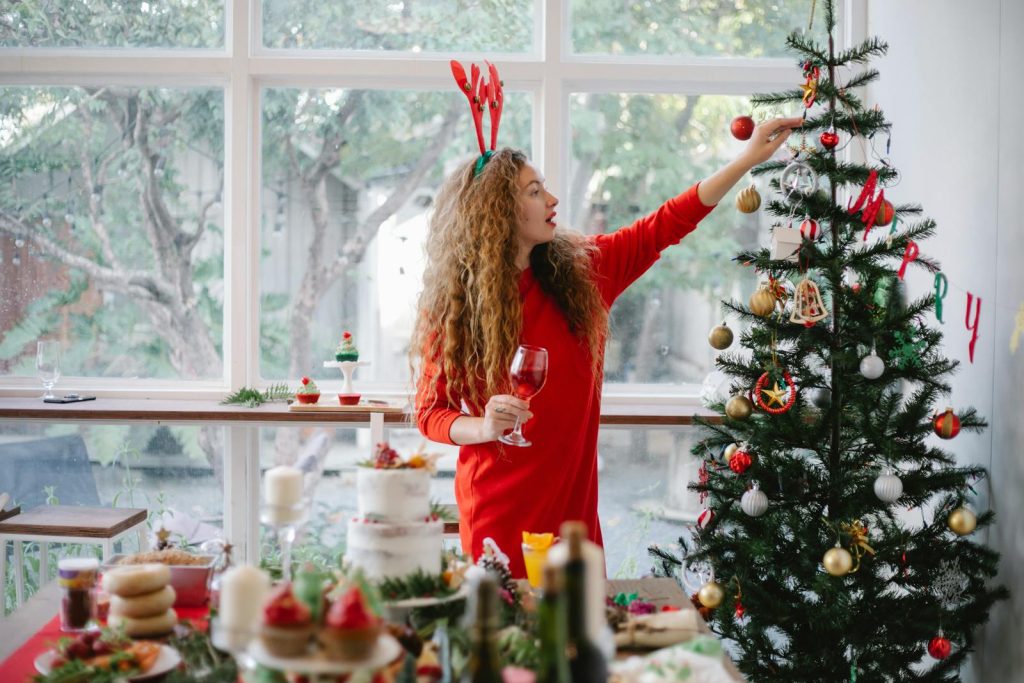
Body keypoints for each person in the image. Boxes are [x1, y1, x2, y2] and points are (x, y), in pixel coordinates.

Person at [414, 60, 802, 577]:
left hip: (573, 516)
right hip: (496, 508)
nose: (552, 199)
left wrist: (747, 160)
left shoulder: (584, 274)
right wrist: (483, 425)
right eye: (534, 192)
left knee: (581, 647)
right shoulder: (454, 307)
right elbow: (430, 414)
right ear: (499, 213)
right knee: (509, 648)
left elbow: (666, 222)